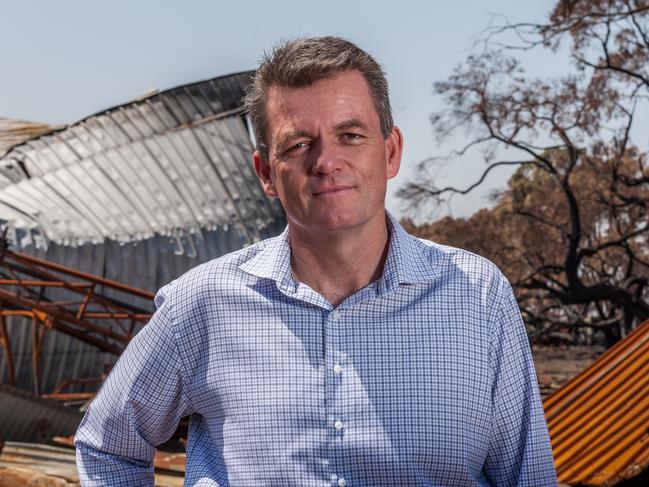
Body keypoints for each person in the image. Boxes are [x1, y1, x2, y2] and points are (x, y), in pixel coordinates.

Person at [75, 36, 557, 486]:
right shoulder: (200, 304)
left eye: (350, 135)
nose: (326, 161)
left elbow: (526, 475)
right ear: (266, 172)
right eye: (298, 144)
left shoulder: (477, 294)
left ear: (390, 153)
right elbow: (107, 446)